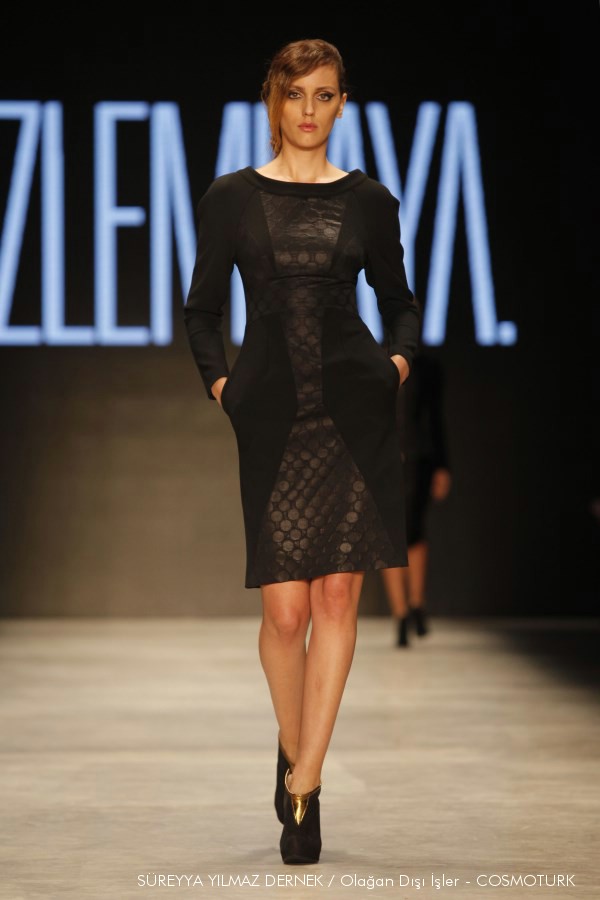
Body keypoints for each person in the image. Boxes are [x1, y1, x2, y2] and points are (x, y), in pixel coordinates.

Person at [183, 38, 421, 865]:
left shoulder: (370, 202)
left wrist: (394, 365)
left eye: (324, 95)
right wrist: (224, 387)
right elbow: (202, 308)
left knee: (338, 599)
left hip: (354, 414)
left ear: (342, 104)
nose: (309, 111)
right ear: (274, 101)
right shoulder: (231, 198)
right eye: (296, 95)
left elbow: (399, 302)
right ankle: (293, 750)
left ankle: (307, 784)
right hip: (274, 418)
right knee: (285, 613)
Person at [380, 350, 452, 646]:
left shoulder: (427, 367)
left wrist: (443, 465)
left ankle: (416, 604)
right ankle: (400, 614)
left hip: (420, 458)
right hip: (384, 458)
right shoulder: (372, 360)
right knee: (389, 533)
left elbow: (435, 417)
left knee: (414, 528)